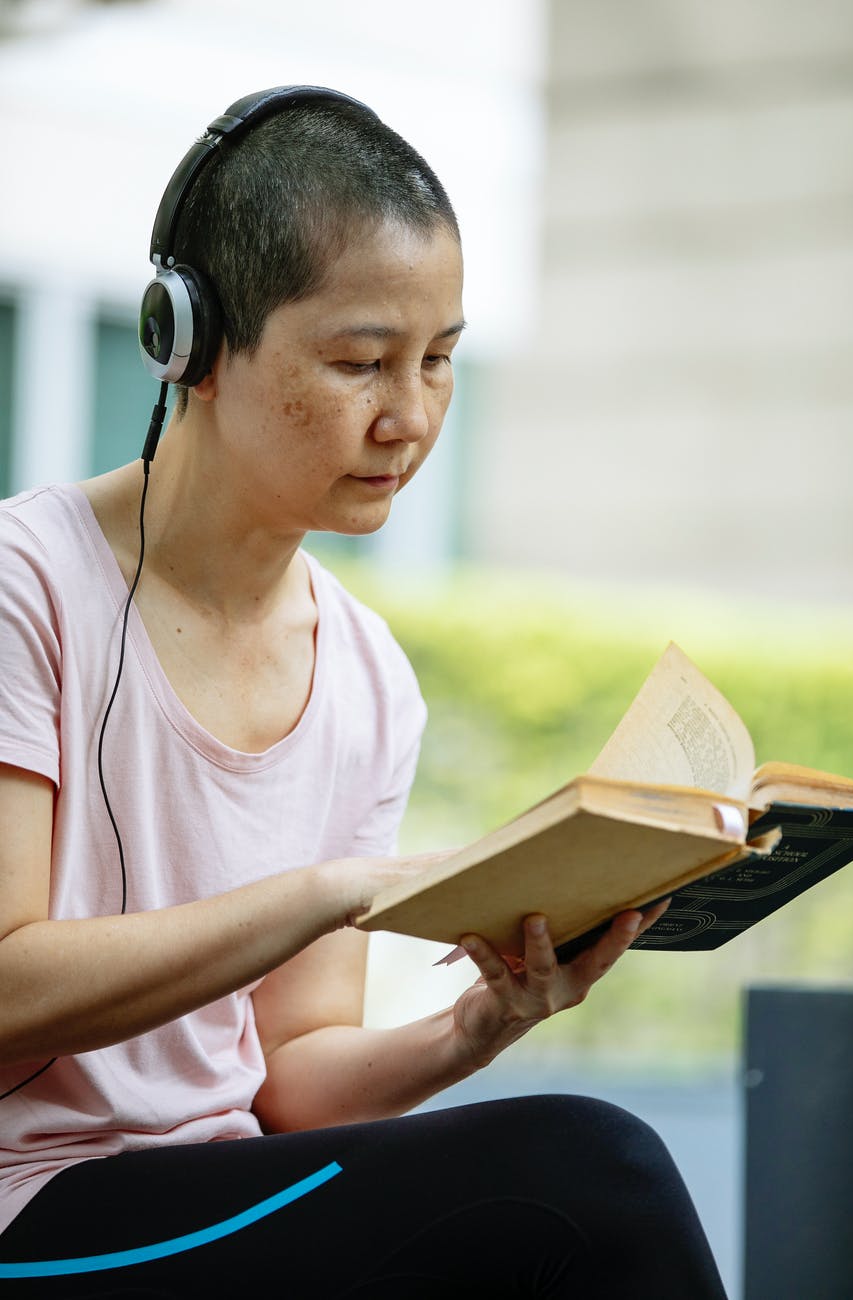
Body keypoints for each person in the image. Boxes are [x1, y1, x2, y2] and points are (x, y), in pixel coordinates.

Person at [0, 87, 727, 1297]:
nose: (411, 417)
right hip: (34, 1212)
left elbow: (289, 1082)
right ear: (191, 342)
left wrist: (481, 1024)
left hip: (219, 1197)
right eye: (360, 362)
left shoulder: (367, 674)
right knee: (596, 1169)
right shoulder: (26, 589)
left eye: (439, 361)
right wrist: (330, 893)